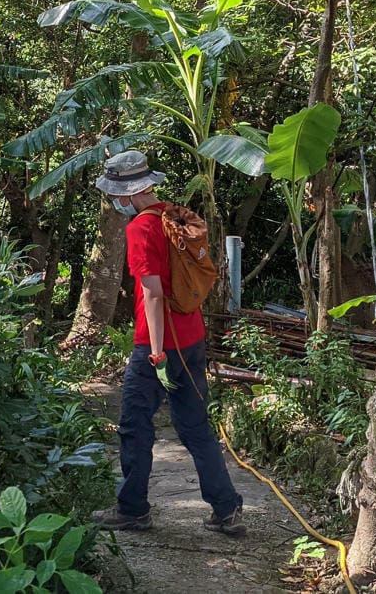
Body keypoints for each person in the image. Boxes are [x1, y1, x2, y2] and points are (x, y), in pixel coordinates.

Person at [90, 150, 246, 536]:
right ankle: (226, 510)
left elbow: (154, 294)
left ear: (128, 193)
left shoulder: (140, 229)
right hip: (192, 337)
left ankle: (132, 509)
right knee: (194, 426)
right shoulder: (174, 216)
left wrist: (156, 351)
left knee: (134, 425)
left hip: (157, 344)